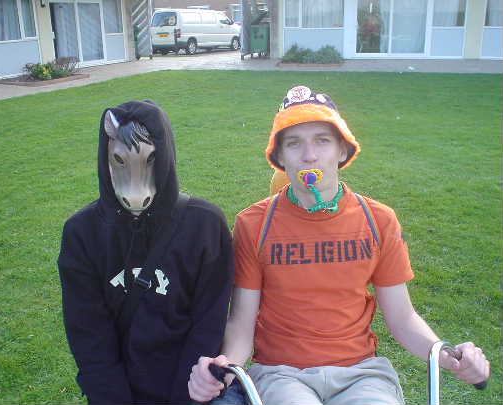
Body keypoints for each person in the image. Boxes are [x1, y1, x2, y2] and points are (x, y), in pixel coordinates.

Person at [188, 86, 490, 405]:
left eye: (322, 140)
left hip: (362, 374)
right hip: (281, 373)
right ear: (279, 158)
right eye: (294, 143)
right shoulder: (254, 224)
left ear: (343, 151)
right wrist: (225, 369)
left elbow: (402, 318)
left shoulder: (379, 220)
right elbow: (241, 323)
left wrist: (449, 358)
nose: (309, 155)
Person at [58, 100, 234, 404]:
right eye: (119, 160)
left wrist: (186, 398)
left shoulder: (205, 226)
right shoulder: (82, 234)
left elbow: (208, 325)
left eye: (151, 159)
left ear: (165, 156)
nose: (135, 188)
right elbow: (89, 336)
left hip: (190, 389)